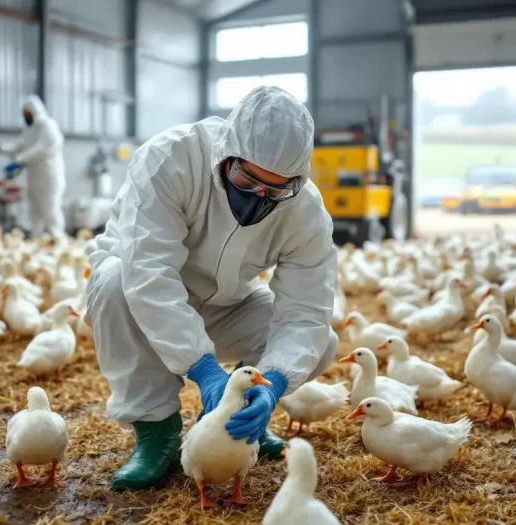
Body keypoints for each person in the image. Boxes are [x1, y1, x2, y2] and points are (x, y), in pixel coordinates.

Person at [85, 86, 338, 491]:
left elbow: (306, 310)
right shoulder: (172, 158)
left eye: (275, 190)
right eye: (247, 179)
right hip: (144, 299)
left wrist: (272, 385)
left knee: (320, 340)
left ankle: (237, 421)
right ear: (227, 153)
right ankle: (157, 434)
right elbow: (149, 273)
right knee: (114, 280)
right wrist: (203, 370)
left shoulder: (305, 211)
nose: (259, 197)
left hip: (225, 306)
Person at [0, 94, 66, 236]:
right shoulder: (29, 130)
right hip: (34, 179)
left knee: (50, 211)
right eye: (24, 114)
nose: (26, 116)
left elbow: (42, 149)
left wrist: (18, 161)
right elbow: (19, 146)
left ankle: (58, 239)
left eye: (28, 113)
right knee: (34, 213)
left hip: (48, 179)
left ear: (35, 112)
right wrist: (1, 147)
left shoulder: (48, 126)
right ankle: (36, 241)